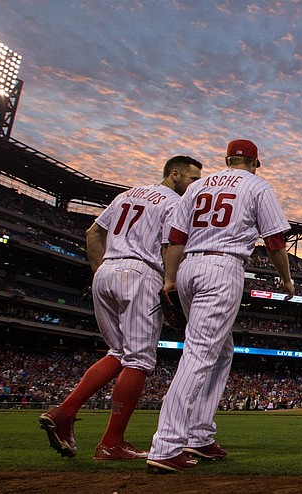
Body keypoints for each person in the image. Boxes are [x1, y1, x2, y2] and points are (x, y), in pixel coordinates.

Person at [39, 155, 203, 461]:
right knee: (139, 361)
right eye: (193, 179)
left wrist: (101, 271)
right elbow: (170, 246)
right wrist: (170, 282)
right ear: (176, 175)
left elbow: (92, 234)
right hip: (141, 273)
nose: (196, 185)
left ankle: (65, 412)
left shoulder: (127, 194)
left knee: (118, 353)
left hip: (106, 271)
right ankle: (111, 443)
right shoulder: (174, 203)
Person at [146, 139, 294, 474]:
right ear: (256, 162)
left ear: (227, 159)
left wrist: (170, 280)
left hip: (186, 268)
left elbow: (176, 237)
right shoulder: (258, 185)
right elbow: (273, 241)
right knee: (199, 354)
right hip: (222, 267)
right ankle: (167, 445)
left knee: (222, 350)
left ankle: (199, 433)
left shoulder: (198, 185)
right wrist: (286, 279)